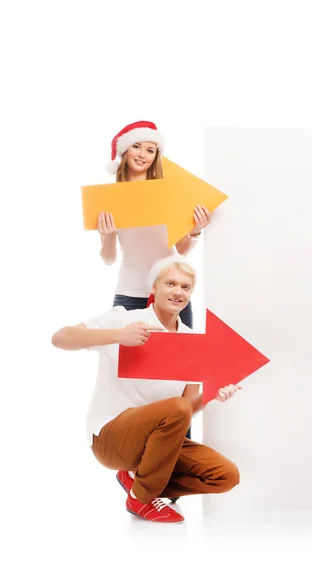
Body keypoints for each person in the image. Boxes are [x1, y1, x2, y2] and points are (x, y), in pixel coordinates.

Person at [51, 256, 241, 524]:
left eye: (185, 287)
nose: (178, 292)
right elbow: (60, 338)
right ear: (154, 288)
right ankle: (141, 499)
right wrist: (119, 336)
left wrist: (211, 394)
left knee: (225, 475)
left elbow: (186, 410)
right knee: (176, 408)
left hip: (156, 446)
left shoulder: (191, 342)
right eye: (170, 283)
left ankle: (139, 481)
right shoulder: (125, 320)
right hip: (111, 437)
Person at [98, 120, 209, 442]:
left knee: (180, 379)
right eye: (137, 146)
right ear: (123, 151)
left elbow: (180, 250)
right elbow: (107, 257)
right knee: (131, 380)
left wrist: (195, 230)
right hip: (131, 294)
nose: (144, 154)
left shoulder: (168, 193)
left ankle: (177, 458)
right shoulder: (110, 197)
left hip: (171, 291)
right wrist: (106, 235)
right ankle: (132, 461)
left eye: (151, 149)